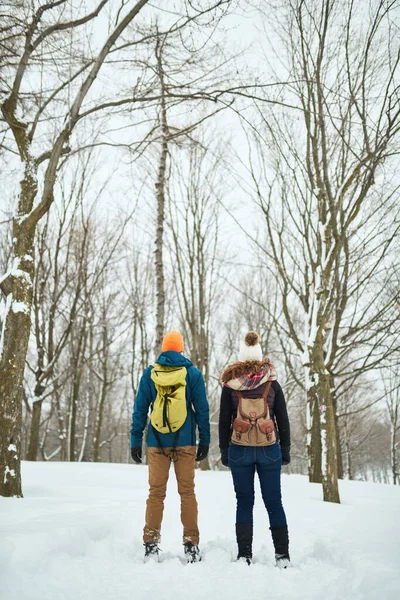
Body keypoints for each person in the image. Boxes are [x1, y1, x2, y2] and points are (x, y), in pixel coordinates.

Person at [130, 330, 210, 563]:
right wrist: (204, 439)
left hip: (156, 443)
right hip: (185, 442)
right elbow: (202, 411)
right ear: (181, 349)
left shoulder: (150, 374)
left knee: (156, 493)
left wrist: (136, 440)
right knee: (187, 493)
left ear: (164, 349)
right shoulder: (192, 374)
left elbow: (140, 410)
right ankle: (191, 544)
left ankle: (151, 543)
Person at [218, 331, 291, 567]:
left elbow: (224, 420)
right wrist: (286, 449)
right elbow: (283, 418)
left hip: (239, 449)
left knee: (244, 501)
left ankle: (245, 555)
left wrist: (224, 450)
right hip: (270, 449)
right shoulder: (272, 382)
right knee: (274, 502)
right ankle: (282, 556)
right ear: (260, 357)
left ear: (240, 359)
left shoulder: (231, 385)